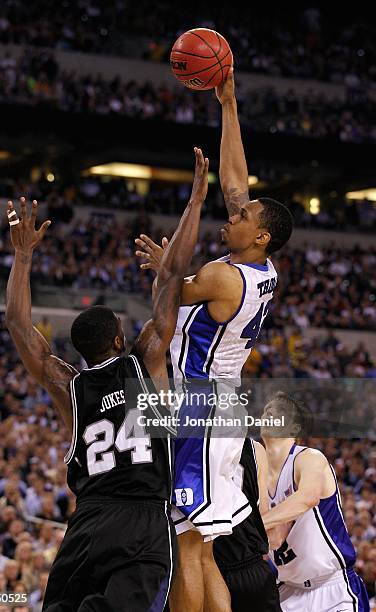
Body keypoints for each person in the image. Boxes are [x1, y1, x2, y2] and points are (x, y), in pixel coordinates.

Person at [5, 147, 210, 611]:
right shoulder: (145, 360)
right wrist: (196, 199)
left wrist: (22, 259)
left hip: (88, 523)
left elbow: (19, 326)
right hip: (142, 518)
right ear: (120, 339)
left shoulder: (68, 386)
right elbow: (174, 273)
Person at [136, 67, 293, 611]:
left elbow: (169, 293)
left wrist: (167, 262)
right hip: (221, 406)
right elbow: (236, 183)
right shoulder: (260, 269)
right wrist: (227, 105)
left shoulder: (224, 277)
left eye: (243, 216)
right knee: (200, 548)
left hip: (201, 403)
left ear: (262, 235)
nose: (235, 214)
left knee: (185, 544)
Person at [261, 391, 370, 612]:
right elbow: (272, 541)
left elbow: (307, 498)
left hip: (333, 589)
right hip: (287, 593)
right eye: (266, 410)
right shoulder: (258, 473)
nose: (268, 412)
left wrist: (254, 525)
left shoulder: (309, 458)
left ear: (294, 429)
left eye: (278, 411)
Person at [213, 439, 282, 611]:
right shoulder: (255, 449)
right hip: (251, 565)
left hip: (208, 567)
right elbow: (270, 529)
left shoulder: (186, 441)